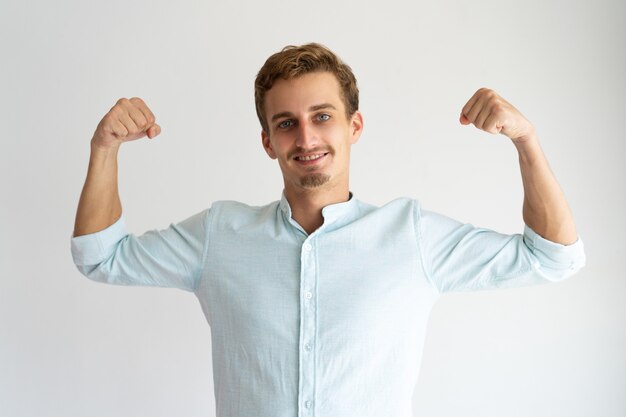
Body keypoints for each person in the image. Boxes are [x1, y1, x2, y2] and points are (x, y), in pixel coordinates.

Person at [71, 43, 585, 417]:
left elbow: (554, 257)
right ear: (268, 141)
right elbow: (101, 256)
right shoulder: (220, 235)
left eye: (322, 116)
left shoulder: (411, 236)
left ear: (354, 127)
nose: (307, 136)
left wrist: (527, 141)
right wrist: (104, 148)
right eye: (287, 122)